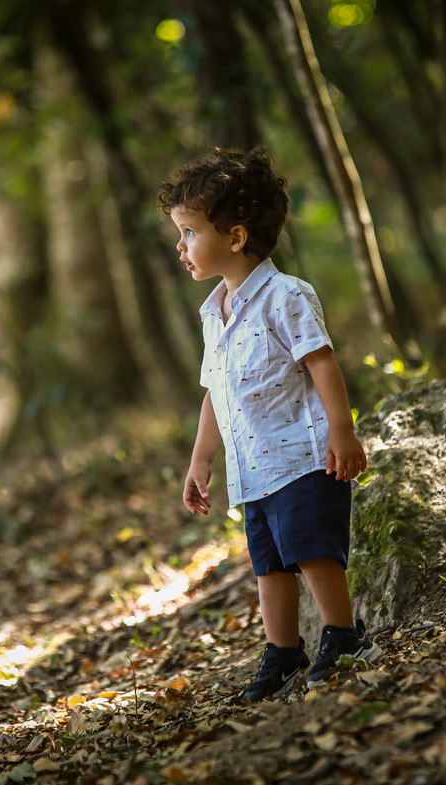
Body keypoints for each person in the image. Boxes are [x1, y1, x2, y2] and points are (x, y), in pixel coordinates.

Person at [158, 146, 381, 700]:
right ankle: (282, 651)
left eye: (189, 232)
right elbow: (216, 392)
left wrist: (342, 431)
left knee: (312, 550)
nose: (180, 246)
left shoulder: (286, 296)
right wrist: (201, 459)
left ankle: (343, 635)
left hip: (302, 457)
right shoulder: (214, 313)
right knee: (269, 565)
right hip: (253, 469)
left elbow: (322, 363)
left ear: (235, 237)